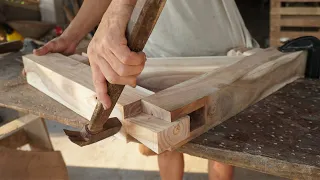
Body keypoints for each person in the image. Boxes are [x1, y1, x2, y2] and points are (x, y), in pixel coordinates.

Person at [33, 0, 258, 179]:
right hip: (157, 52)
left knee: (219, 138)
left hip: (220, 46)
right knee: (166, 139)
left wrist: (118, 9)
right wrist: (71, 37)